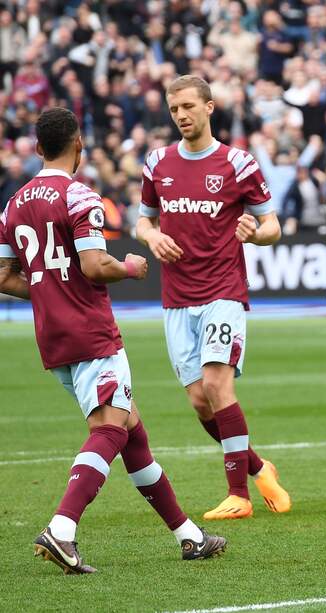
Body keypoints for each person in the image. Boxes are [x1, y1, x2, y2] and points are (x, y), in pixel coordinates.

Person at [0, 107, 225, 574]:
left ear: (38, 148)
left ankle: (189, 536)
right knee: (108, 430)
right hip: (91, 331)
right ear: (79, 146)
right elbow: (94, 265)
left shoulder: (13, 204)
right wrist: (130, 267)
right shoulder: (80, 195)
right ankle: (61, 529)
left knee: (131, 433)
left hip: (52, 336)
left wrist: (49, 290)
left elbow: (3, 276)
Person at [135, 75, 291, 519]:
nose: (181, 115)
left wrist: (254, 234)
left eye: (188, 106)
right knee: (200, 400)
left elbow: (273, 225)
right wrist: (152, 237)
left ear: (208, 107)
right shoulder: (157, 163)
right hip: (176, 296)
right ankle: (258, 468)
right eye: (174, 109)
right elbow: (143, 221)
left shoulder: (237, 163)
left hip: (223, 290)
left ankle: (238, 494)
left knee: (218, 385)